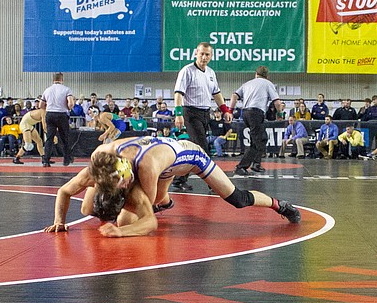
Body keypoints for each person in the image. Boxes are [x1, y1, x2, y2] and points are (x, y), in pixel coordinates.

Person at [42, 135, 302, 237]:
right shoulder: (100, 163)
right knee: (89, 207)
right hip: (160, 160)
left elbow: (146, 216)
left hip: (189, 157)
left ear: (125, 176)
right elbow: (64, 190)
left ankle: (279, 205)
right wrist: (59, 220)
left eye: (124, 186)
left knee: (237, 199)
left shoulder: (145, 169)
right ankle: (165, 200)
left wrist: (121, 231)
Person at [173, 42, 228, 190]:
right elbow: (178, 93)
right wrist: (178, 114)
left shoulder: (210, 73)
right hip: (190, 112)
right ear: (196, 53)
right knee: (202, 148)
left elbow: (216, 93)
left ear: (211, 56)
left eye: (207, 54)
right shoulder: (187, 71)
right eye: (201, 53)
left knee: (195, 149)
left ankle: (179, 179)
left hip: (205, 113)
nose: (204, 57)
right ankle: (213, 183)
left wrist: (225, 110)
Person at [230, 65, 279, 176]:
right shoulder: (268, 83)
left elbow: (234, 96)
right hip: (256, 113)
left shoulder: (247, 84)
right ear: (267, 76)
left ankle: (256, 164)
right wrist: (280, 111)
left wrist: (230, 110)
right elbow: (276, 102)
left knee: (257, 139)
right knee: (260, 140)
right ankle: (241, 166)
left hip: (245, 113)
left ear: (255, 74)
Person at [42, 72, 74, 167]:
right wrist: (68, 108)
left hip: (50, 114)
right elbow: (71, 103)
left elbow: (41, 105)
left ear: (53, 80)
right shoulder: (66, 89)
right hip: (61, 114)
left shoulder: (47, 90)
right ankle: (66, 159)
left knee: (49, 138)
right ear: (62, 80)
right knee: (64, 138)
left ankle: (46, 160)